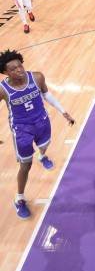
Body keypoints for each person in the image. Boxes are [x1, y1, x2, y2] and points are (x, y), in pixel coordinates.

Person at [0, 49, 75, 219]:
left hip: (41, 121)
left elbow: (47, 95)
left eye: (20, 66)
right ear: (5, 72)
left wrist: (64, 112)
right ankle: (19, 198)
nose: (19, 70)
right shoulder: (3, 90)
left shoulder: (37, 77)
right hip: (21, 129)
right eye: (13, 69)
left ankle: (42, 156)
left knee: (44, 146)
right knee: (25, 166)